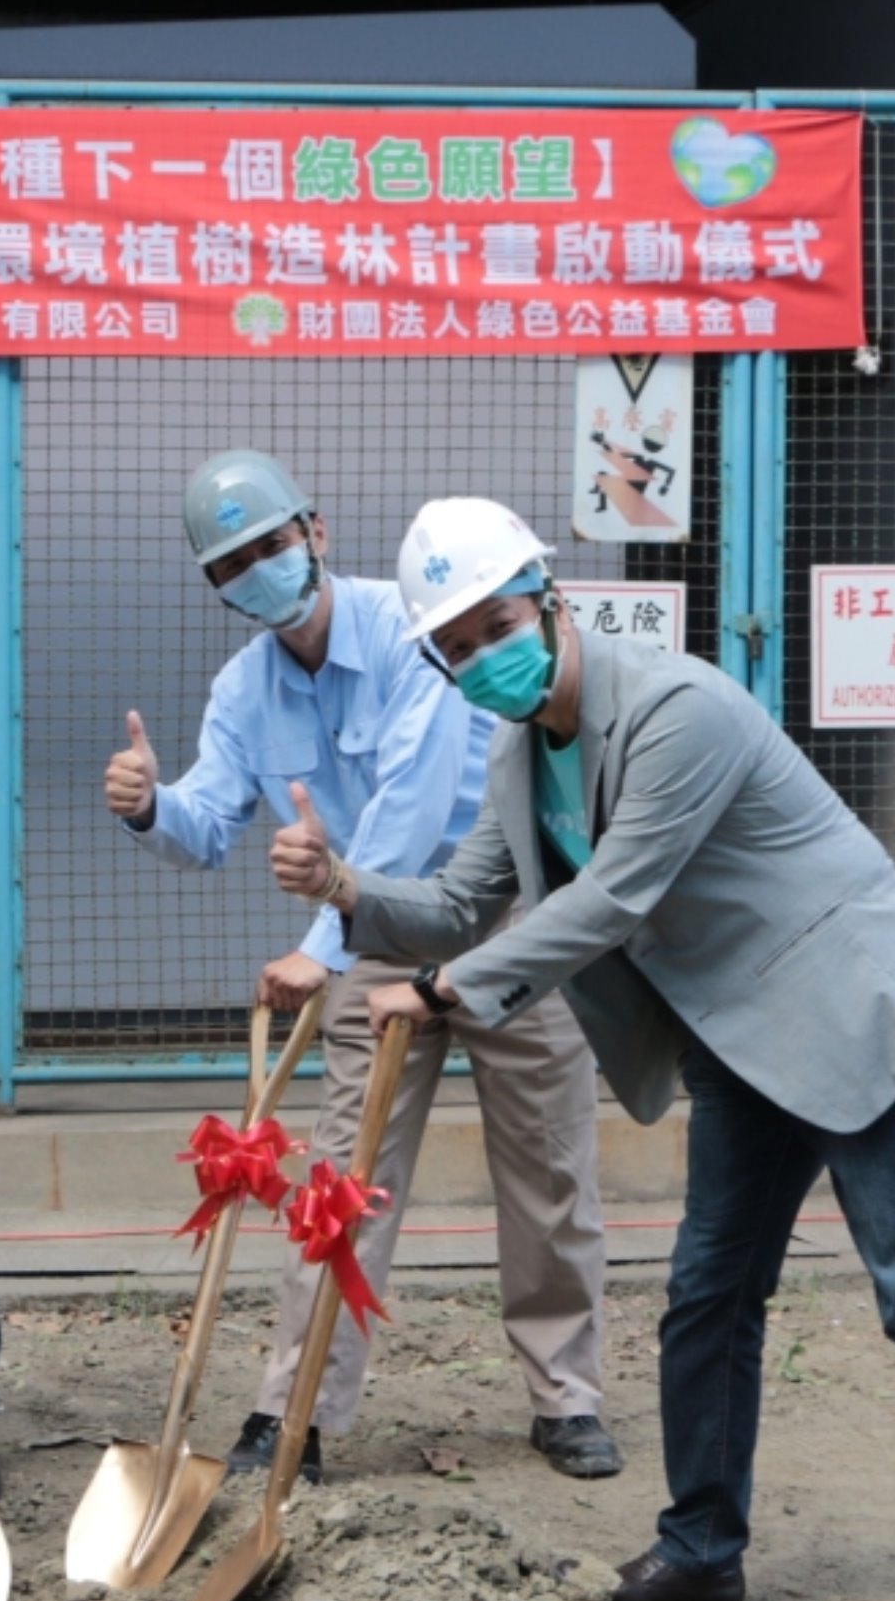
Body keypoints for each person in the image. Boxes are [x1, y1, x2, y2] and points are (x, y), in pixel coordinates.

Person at [269, 496, 895, 1601]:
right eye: (449, 646)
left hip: (865, 1010)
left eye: (492, 625)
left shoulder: (679, 708)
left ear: (549, 602)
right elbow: (462, 901)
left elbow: (612, 900)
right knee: (708, 1298)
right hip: (744, 1038)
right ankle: (701, 1556)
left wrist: (446, 992)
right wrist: (348, 889)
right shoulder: (519, 756)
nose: (477, 658)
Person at [101, 450, 616, 1484]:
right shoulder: (244, 689)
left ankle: (566, 1396)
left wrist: (316, 945)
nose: (257, 570)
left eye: (271, 545)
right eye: (232, 564)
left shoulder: (413, 628)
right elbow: (209, 823)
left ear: (317, 533)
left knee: (550, 1166)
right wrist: (151, 804)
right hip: (373, 937)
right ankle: (297, 1411)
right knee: (342, 1177)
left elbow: (417, 803)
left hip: (503, 913)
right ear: (215, 587)